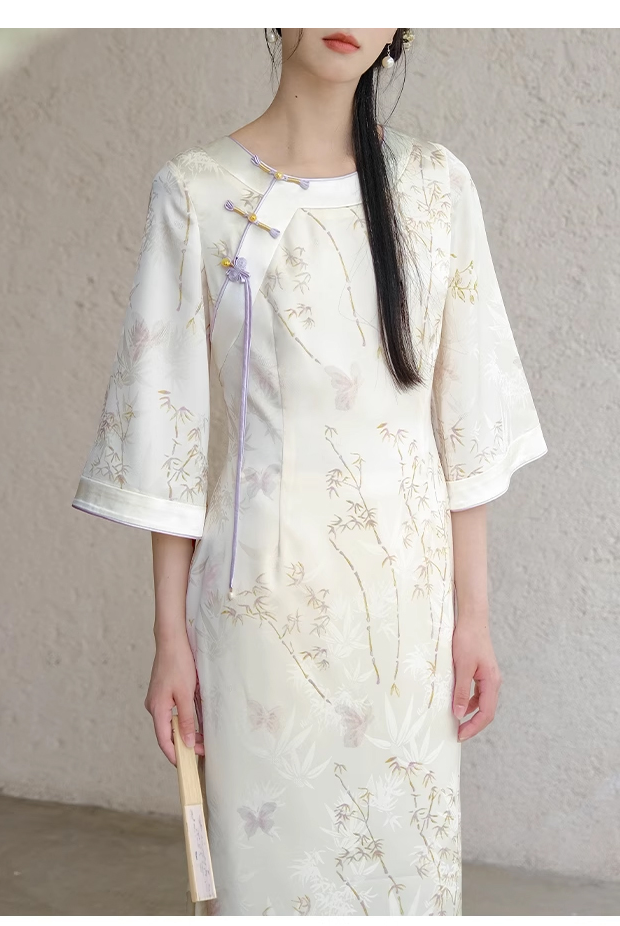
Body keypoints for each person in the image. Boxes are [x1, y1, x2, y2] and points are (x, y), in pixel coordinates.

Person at [71, 27, 548, 916]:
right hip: (260, 613)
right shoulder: (197, 191)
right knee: (269, 885)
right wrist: (169, 639)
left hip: (407, 618)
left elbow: (469, 426)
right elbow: (170, 437)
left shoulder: (435, 186)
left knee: (403, 879)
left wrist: (474, 619)